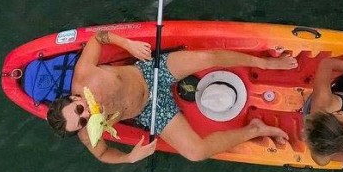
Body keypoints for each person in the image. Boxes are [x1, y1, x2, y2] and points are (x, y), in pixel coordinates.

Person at [45, 28, 296, 163]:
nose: (87, 114)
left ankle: (265, 64)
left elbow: (98, 37)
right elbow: (101, 154)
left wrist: (128, 45)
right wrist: (129, 158)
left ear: (74, 98)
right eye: (82, 121)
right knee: (195, 153)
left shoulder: (83, 75)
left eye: (79, 110)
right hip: (151, 111)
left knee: (206, 58)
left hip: (149, 72)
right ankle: (255, 129)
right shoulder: (88, 134)